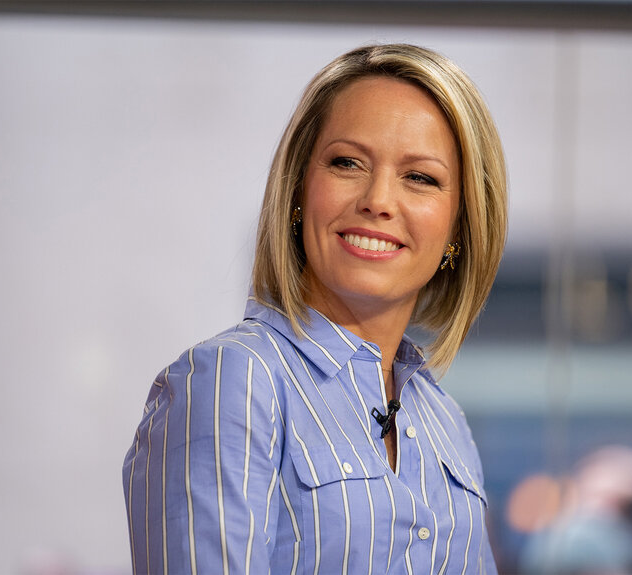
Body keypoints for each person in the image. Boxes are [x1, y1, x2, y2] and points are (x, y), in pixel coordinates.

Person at [122, 43, 507, 574]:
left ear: (459, 228)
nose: (378, 200)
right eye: (347, 163)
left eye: (420, 177)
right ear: (299, 189)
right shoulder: (233, 379)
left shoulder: (447, 422)